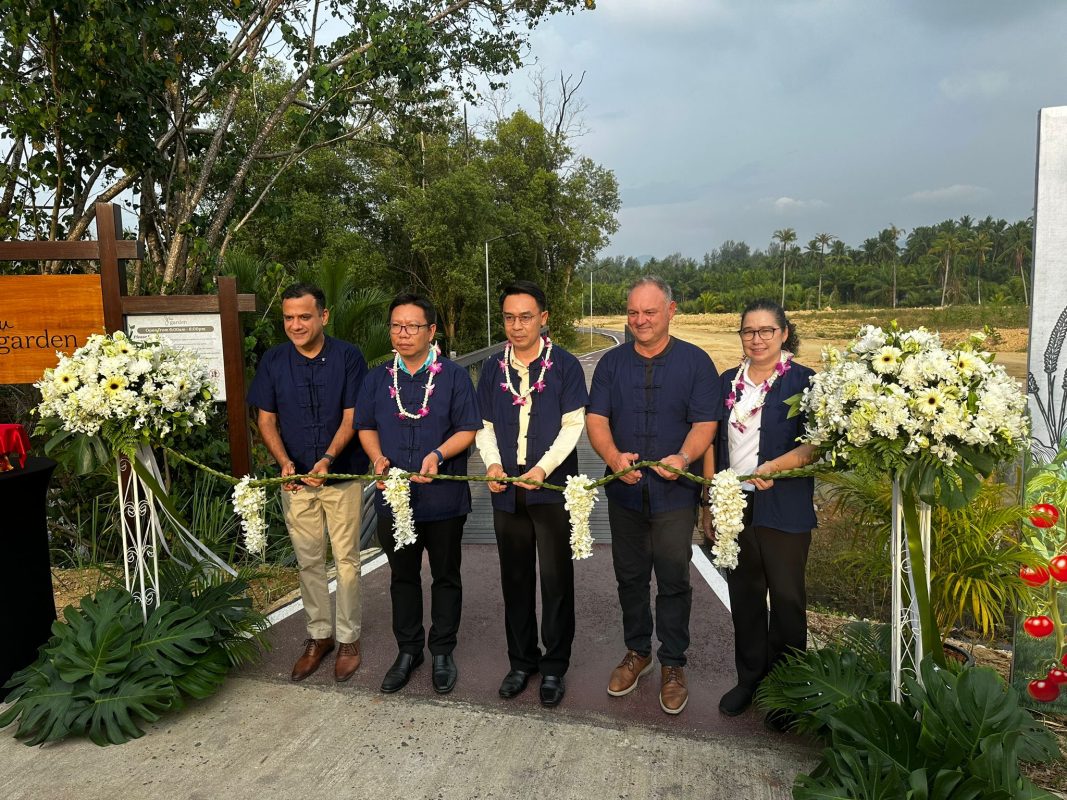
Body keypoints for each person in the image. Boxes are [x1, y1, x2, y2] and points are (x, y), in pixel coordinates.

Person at [586, 276, 721, 715]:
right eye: (633, 313)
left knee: (674, 579)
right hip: (625, 495)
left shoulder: (697, 363)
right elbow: (597, 420)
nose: (640, 321)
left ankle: (673, 663)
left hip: (674, 496)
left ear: (670, 311)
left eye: (649, 312)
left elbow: (705, 425)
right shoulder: (610, 364)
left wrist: (683, 457)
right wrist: (611, 456)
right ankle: (638, 651)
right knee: (629, 576)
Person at [356, 293, 481, 695]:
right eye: (396, 325)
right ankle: (408, 650)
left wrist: (438, 454)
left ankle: (442, 650)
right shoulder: (377, 377)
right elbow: (366, 425)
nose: (403, 333)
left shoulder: (453, 376)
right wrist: (376, 458)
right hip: (395, 499)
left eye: (412, 326)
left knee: (446, 576)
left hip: (443, 498)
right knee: (402, 577)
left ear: (431, 331)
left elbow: (468, 428)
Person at [247, 282, 369, 682]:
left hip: (342, 475)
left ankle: (349, 639)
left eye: (304, 316)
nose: (296, 324)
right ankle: (320, 636)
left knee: (347, 562)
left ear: (323, 317)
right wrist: (284, 462)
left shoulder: (349, 357)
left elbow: (353, 416)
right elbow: (265, 419)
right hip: (296, 481)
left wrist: (328, 459)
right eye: (289, 317)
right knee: (308, 562)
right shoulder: (274, 360)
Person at [475, 281, 588, 708]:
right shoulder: (491, 368)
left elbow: (573, 426)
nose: (517, 325)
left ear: (544, 318)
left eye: (525, 317)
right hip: (506, 489)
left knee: (556, 579)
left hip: (551, 487)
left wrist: (542, 469)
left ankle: (555, 667)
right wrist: (491, 464)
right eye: (509, 317)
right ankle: (522, 661)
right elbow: (483, 425)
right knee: (516, 578)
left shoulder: (565, 366)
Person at [705, 299, 816, 730]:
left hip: (783, 504)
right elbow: (714, 442)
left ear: (784, 333)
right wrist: (712, 500)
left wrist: (774, 467)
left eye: (766, 330)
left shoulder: (805, 382)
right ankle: (749, 679)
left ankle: (789, 690)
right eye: (749, 331)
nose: (757, 339)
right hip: (737, 503)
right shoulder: (726, 382)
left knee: (787, 600)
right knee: (746, 596)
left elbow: (813, 445)